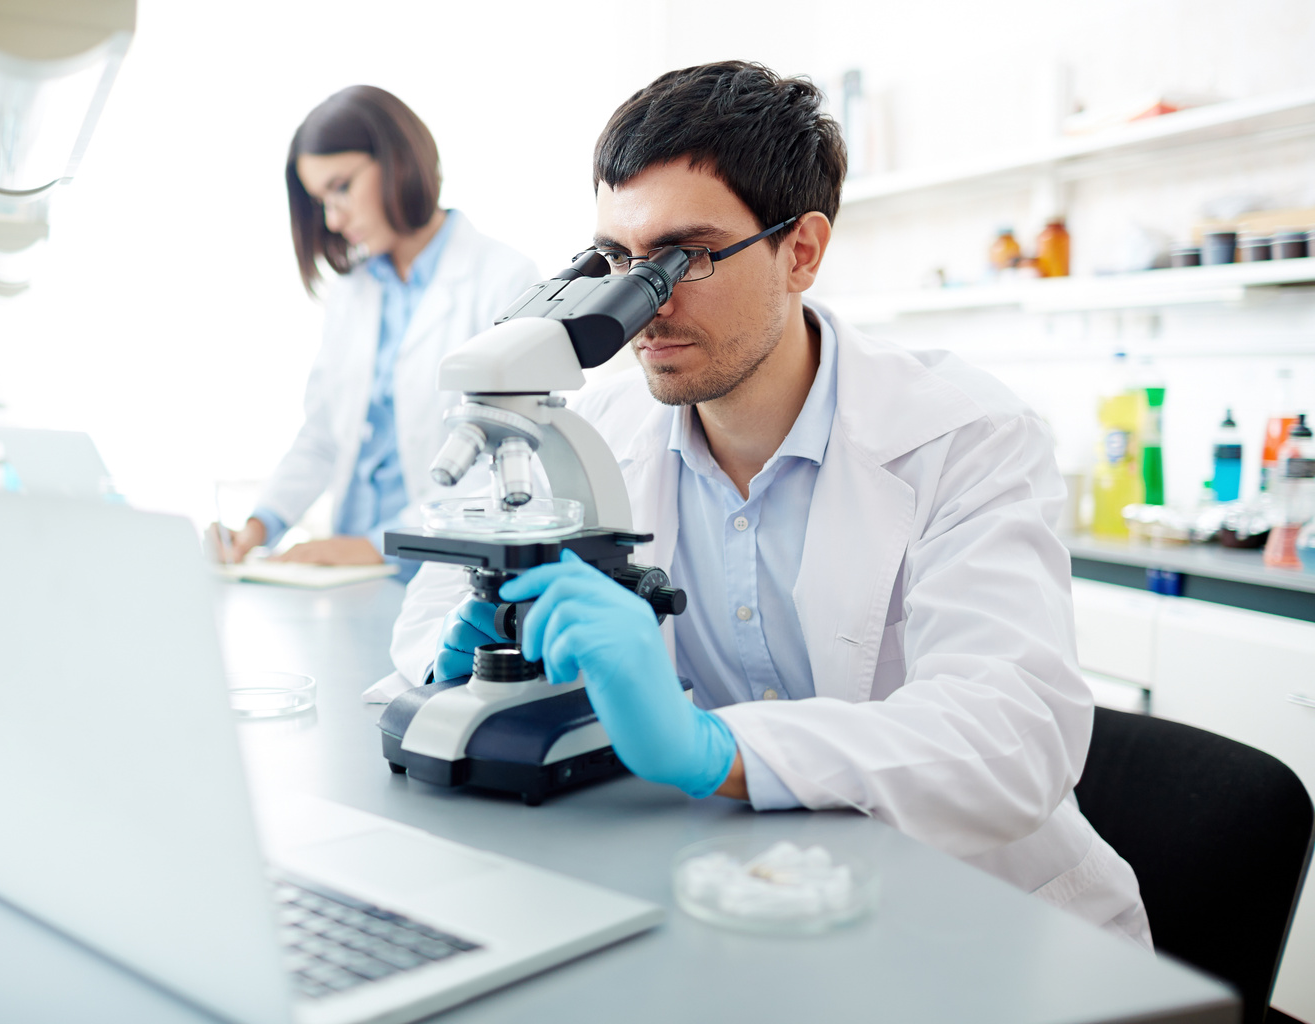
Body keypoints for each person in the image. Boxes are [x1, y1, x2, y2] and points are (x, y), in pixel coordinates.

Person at [388, 62, 1151, 946]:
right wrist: (471, 666)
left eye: (690, 256)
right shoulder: (595, 428)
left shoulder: (966, 435)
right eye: (621, 262)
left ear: (802, 251)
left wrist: (721, 750)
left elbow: (1010, 737)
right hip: (745, 902)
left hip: (983, 929)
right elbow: (433, 612)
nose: (647, 304)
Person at [212, 86, 537, 578]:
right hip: (349, 575)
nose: (333, 218)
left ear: (398, 159)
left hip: (437, 571)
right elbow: (323, 435)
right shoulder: (354, 292)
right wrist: (258, 527)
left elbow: (501, 456)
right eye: (321, 200)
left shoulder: (503, 279)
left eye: (341, 187)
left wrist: (374, 546)